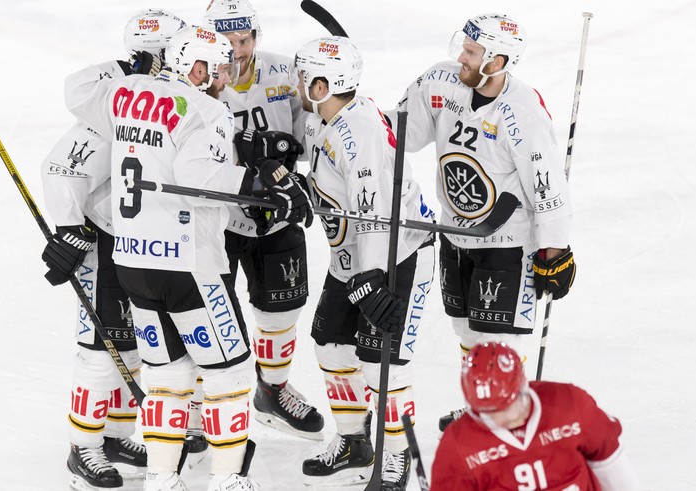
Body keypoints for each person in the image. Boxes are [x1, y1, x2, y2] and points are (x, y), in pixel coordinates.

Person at [63, 25, 312, 491]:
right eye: (219, 69)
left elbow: (75, 92)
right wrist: (260, 188)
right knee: (231, 374)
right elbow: (195, 173)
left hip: (133, 260)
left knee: (167, 374)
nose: (226, 77)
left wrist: (126, 68)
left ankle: (160, 479)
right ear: (197, 69)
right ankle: (227, 480)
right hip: (189, 265)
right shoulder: (207, 108)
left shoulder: (127, 93)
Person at [389, 14, 577, 431]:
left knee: (498, 342)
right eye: (465, 47)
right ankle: (484, 408)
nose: (462, 57)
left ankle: (507, 419)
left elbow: (547, 188)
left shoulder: (524, 113)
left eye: (472, 53)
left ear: (497, 61)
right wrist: (360, 121)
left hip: (506, 241)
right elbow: (402, 132)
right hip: (455, 233)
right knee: (468, 333)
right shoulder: (441, 82)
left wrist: (554, 251)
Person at [40, 9, 185, 490]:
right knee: (100, 348)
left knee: (134, 342)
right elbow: (60, 168)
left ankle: (118, 434)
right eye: (175, 51)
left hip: (138, 239)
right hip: (104, 239)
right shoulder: (118, 104)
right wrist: (70, 229)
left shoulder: (164, 100)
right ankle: (83, 446)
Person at [294, 36, 436, 490]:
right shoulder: (328, 118)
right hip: (352, 260)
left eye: (304, 77)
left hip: (398, 257)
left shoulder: (360, 133)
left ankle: (399, 455)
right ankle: (355, 440)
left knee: (383, 363)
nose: (297, 84)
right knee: (331, 345)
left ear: (321, 85)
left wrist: (374, 279)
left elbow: (376, 211)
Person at [197, 0, 323, 442]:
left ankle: (272, 390)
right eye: (227, 42)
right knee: (211, 314)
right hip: (219, 217)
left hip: (278, 210)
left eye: (244, 40)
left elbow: (312, 123)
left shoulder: (284, 73)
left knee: (283, 307)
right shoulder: (197, 81)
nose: (237, 50)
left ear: (256, 37)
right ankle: (199, 405)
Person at [431, 342, 640, 490]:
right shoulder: (456, 447)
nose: (500, 420)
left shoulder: (569, 403)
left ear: (523, 387)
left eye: (508, 407)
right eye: (487, 414)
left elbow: (609, 461)